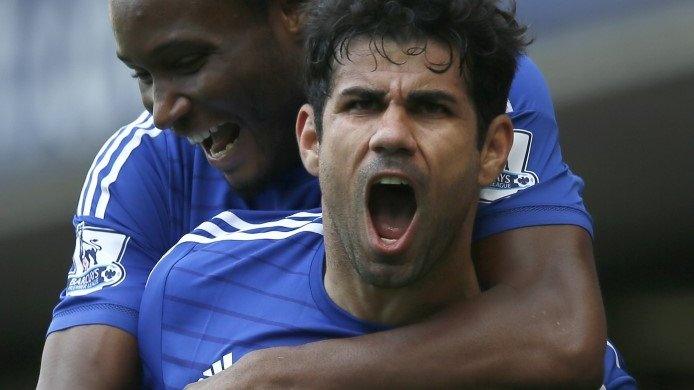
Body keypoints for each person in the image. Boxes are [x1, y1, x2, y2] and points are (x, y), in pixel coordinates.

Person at [38, 0, 608, 388]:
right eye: (142, 76)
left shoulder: (450, 71)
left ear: (293, 11)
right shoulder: (153, 190)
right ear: (311, 136)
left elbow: (558, 332)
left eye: (187, 62)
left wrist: (277, 377)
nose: (162, 110)